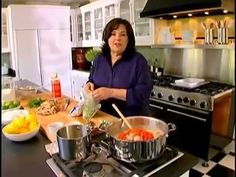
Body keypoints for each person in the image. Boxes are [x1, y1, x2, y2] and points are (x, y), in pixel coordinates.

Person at [83, 18, 153, 117]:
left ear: (128, 39)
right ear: (107, 38)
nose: (118, 38)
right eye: (113, 34)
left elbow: (142, 95)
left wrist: (111, 92)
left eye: (123, 34)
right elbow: (92, 80)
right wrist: (89, 85)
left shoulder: (139, 61)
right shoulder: (99, 59)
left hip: (130, 121)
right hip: (103, 118)